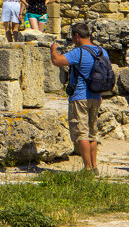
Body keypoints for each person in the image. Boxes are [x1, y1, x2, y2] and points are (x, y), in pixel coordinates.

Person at [49, 22, 102, 172]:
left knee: (82, 133)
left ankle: (87, 168)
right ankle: (94, 166)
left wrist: (53, 49)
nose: (72, 40)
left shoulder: (78, 52)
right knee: (93, 133)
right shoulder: (101, 51)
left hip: (80, 97)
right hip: (96, 96)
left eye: (72, 37)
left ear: (77, 36)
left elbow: (56, 61)